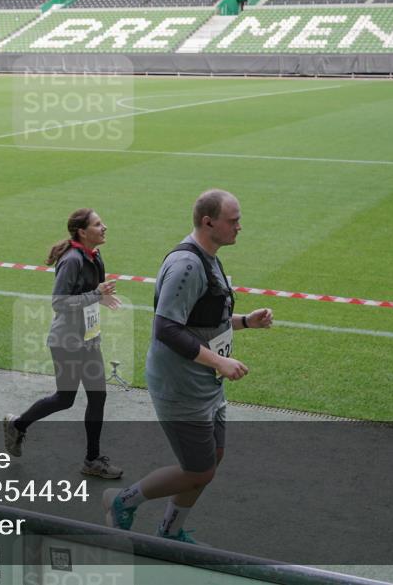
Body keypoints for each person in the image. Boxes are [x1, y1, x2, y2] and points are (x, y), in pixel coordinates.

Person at [102, 189, 273, 543]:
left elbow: (204, 319)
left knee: (214, 458)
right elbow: (165, 328)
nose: (240, 227)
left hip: (206, 383)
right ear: (208, 222)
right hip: (181, 387)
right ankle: (122, 501)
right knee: (199, 469)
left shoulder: (210, 257)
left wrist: (244, 322)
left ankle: (170, 530)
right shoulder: (187, 265)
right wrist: (221, 362)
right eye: (234, 220)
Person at [3, 208, 123, 479]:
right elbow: (59, 302)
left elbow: (88, 294)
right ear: (82, 231)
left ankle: (92, 460)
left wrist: (100, 297)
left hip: (88, 339)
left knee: (98, 395)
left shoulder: (94, 255)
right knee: (65, 399)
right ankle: (18, 424)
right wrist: (96, 294)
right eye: (98, 224)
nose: (105, 227)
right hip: (67, 342)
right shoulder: (71, 260)